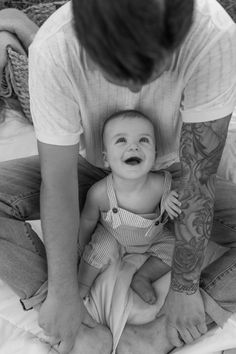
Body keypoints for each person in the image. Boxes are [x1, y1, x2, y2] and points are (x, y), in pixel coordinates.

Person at [0, 0, 235, 354]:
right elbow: (59, 182)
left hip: (177, 168)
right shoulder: (55, 50)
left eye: (155, 65)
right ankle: (77, 324)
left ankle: (158, 335)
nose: (138, 87)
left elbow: (197, 179)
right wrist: (63, 293)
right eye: (119, 70)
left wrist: (185, 288)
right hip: (97, 165)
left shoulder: (212, 34)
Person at [78, 110, 181, 303]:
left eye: (144, 140)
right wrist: (83, 247)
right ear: (106, 158)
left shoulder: (162, 184)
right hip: (113, 236)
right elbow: (87, 220)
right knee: (99, 249)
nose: (133, 146)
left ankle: (143, 277)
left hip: (153, 238)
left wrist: (170, 200)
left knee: (178, 249)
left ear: (155, 155)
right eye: (121, 141)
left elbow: (178, 200)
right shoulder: (100, 192)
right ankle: (81, 286)